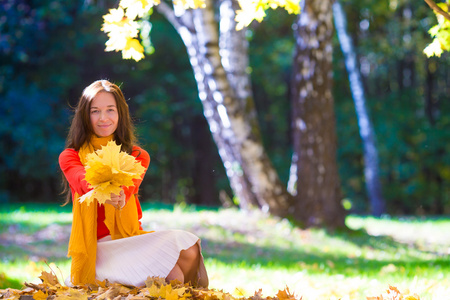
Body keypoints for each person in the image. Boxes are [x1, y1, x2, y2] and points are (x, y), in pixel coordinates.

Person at [59, 79, 208, 288]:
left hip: (131, 238)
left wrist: (120, 196)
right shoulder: (70, 156)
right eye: (95, 111)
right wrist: (101, 189)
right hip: (98, 249)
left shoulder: (138, 155)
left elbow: (129, 187)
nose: (103, 118)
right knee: (173, 278)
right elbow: (81, 181)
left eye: (110, 110)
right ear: (85, 115)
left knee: (189, 247)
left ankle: (190, 292)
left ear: (120, 114)